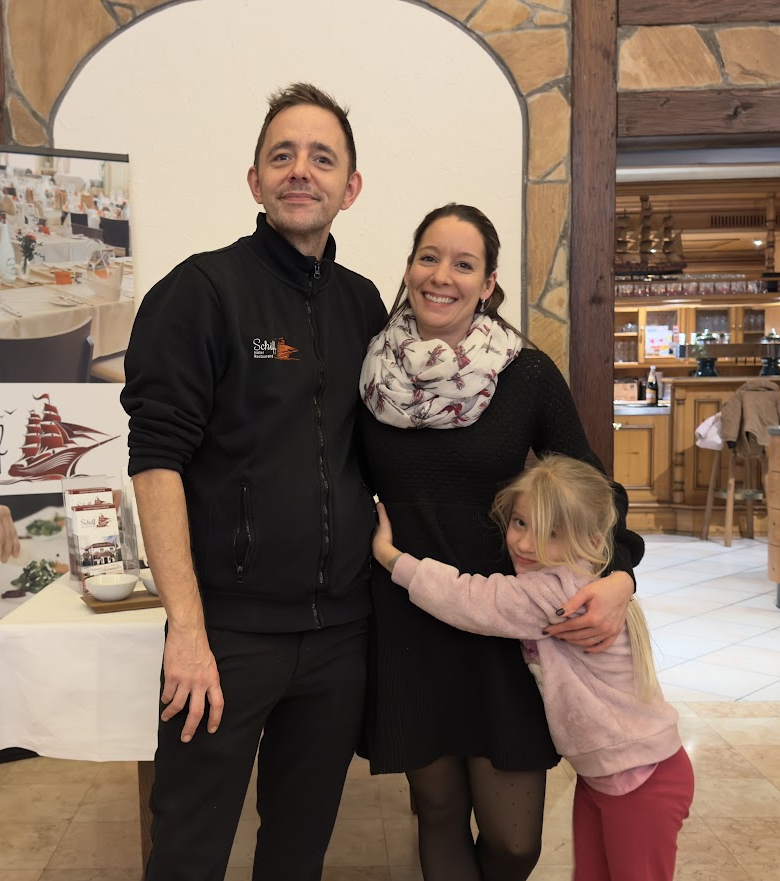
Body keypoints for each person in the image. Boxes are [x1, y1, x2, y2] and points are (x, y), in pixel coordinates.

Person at [121, 83, 386, 881]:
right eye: (282, 155)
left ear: (350, 187)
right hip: (227, 638)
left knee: (297, 855)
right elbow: (156, 462)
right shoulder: (201, 293)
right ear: (255, 180)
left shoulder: (363, 304)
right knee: (188, 855)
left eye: (321, 158)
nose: (300, 170)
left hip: (338, 636)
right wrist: (187, 631)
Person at [357, 204, 645, 880]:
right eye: (429, 257)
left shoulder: (525, 374)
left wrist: (622, 572)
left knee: (515, 842)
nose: (442, 276)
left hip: (505, 624)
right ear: (409, 268)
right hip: (405, 617)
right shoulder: (368, 372)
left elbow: (595, 490)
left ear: (488, 283)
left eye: (463, 264)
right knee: (437, 811)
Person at [372, 455, 691, 881]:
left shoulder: (558, 592)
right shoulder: (581, 575)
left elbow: (468, 599)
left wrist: (390, 557)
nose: (525, 544)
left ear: (594, 540)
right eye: (520, 523)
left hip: (641, 779)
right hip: (607, 775)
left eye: (551, 533)